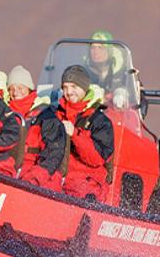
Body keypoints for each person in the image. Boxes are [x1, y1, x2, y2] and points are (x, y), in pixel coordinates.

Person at [45, 64, 116, 201]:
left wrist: (75, 134)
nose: (69, 92)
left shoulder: (100, 121)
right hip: (57, 179)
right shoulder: (56, 114)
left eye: (74, 87)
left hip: (86, 184)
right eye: (65, 87)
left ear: (84, 88)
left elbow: (97, 158)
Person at [4, 65, 64, 186]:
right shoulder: (3, 113)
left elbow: (53, 153)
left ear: (29, 88)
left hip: (34, 177)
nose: (15, 93)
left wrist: (33, 180)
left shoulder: (45, 116)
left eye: (20, 87)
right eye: (11, 88)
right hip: (6, 172)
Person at [86, 29, 131, 96]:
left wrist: (121, 93)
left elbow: (135, 94)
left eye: (100, 48)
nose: (96, 52)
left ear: (109, 51)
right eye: (92, 48)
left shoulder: (123, 71)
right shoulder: (84, 71)